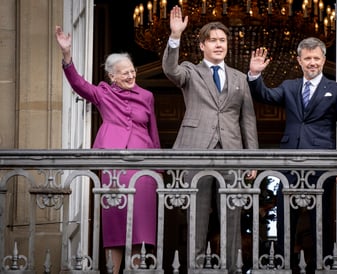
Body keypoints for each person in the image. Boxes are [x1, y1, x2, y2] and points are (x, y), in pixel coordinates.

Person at [55, 26, 161, 274]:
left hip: (143, 165)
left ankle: (135, 271)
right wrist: (67, 56)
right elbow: (79, 85)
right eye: (124, 73)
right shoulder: (103, 93)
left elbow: (153, 130)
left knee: (141, 226)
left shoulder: (146, 96)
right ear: (112, 76)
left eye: (132, 71)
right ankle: (113, 272)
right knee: (115, 223)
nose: (131, 75)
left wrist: (159, 168)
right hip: (114, 164)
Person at [161, 6, 259, 274]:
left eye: (223, 41)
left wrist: (252, 157)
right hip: (196, 151)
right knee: (197, 217)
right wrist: (174, 36)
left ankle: (231, 269)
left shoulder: (240, 78)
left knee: (232, 217)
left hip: (233, 153)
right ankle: (195, 268)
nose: (219, 45)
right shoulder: (190, 71)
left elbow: (247, 120)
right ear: (202, 45)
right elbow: (170, 70)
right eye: (213, 40)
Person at [248, 37, 337, 273]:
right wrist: (255, 75)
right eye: (308, 58)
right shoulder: (289, 86)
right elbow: (265, 96)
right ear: (299, 61)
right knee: (286, 216)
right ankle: (283, 265)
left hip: (321, 163)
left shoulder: (336, 90)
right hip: (290, 161)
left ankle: (322, 265)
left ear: (324, 60)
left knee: (321, 218)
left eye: (317, 58)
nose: (313, 63)